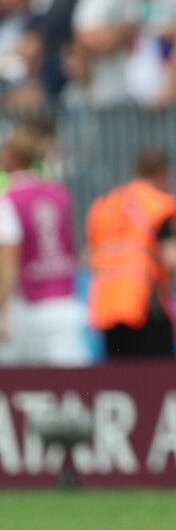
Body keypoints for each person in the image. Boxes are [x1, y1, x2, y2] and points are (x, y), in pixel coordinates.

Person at [0, 126, 89, 366]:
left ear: (11, 157)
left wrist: (3, 309)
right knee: (73, 384)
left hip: (28, 308)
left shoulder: (9, 199)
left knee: (16, 381)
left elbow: (9, 261)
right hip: (64, 302)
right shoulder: (59, 193)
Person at [86, 147, 176, 359]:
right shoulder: (159, 204)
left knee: (119, 375)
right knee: (160, 375)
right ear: (163, 173)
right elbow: (172, 257)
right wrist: (170, 285)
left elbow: (91, 254)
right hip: (146, 305)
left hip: (108, 305)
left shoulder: (104, 204)